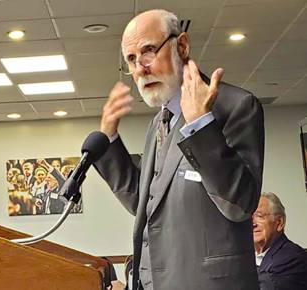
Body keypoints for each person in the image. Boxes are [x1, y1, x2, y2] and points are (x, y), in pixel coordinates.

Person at [93, 9, 264, 290]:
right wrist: (109, 139)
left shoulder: (236, 106)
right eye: (131, 60)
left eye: (148, 52)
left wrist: (200, 126)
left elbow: (240, 204)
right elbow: (145, 202)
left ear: (182, 46)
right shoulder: (158, 124)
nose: (140, 69)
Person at [253, 192, 307, 290]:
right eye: (249, 218)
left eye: (259, 216)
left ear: (279, 223)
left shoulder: (292, 258)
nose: (252, 224)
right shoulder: (247, 256)